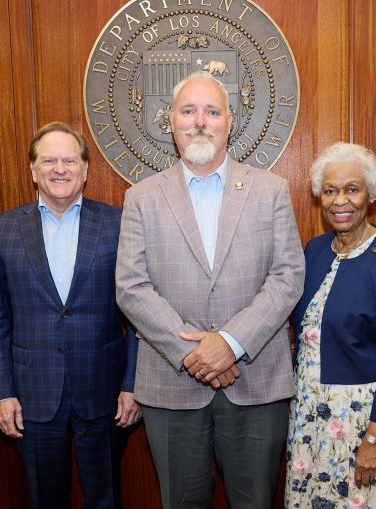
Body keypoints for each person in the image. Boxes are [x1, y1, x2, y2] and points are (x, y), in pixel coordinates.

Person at [115, 71, 305, 509]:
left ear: (229, 122)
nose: (200, 121)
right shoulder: (141, 197)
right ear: (171, 122)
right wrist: (195, 354)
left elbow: (288, 275)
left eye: (212, 111)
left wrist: (231, 344)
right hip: (171, 384)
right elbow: (131, 286)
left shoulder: (270, 190)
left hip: (257, 384)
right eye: (188, 111)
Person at [0, 122, 139, 509]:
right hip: (32, 393)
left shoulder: (118, 223)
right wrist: (1, 392)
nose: (60, 169)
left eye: (70, 160)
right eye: (48, 160)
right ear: (33, 170)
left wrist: (133, 384)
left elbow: (137, 313)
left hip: (104, 390)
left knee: (106, 498)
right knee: (45, 499)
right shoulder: (3, 229)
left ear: (85, 170)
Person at [286, 142, 376, 508]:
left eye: (352, 189)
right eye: (330, 191)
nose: (340, 201)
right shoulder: (316, 250)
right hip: (312, 416)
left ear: (371, 194)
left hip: (365, 421)